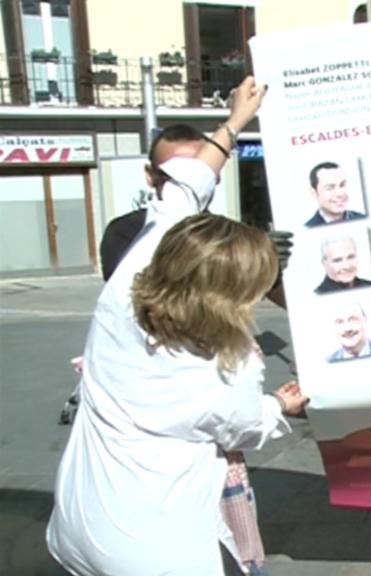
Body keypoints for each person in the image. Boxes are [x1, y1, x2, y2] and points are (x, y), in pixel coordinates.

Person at [47, 78, 310, 576]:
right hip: (150, 550)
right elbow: (246, 423)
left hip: (78, 523)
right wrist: (282, 403)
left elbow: (183, 190)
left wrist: (234, 123)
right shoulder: (217, 366)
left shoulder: (126, 289)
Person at [98, 124, 209, 281]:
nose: (183, 185)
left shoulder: (230, 237)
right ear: (150, 175)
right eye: (170, 175)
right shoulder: (125, 232)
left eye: (194, 173)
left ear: (214, 176)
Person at [304, 161, 366, 227]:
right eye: (330, 188)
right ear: (314, 193)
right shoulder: (307, 229)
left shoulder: (363, 219)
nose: (339, 194)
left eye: (342, 185)